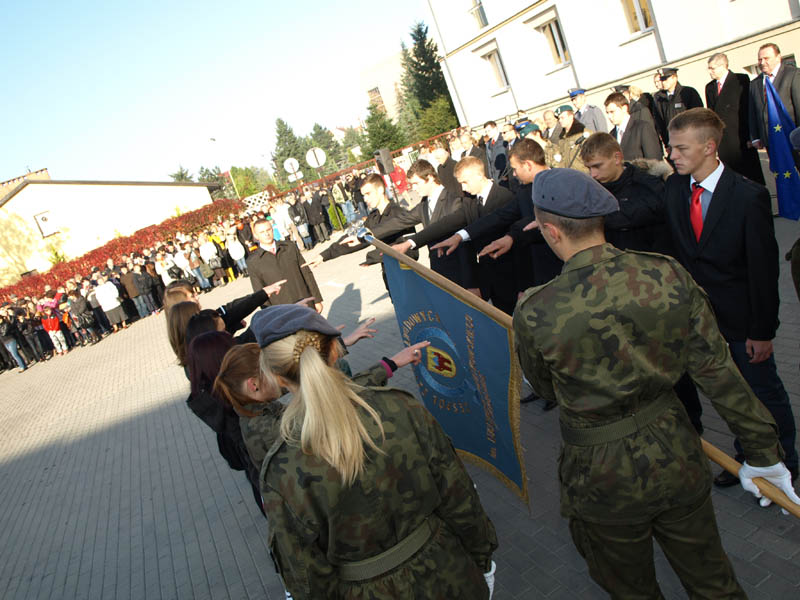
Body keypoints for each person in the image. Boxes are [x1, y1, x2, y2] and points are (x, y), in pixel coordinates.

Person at [512, 167, 800, 599]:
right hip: (676, 452)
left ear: (551, 231)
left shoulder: (535, 310)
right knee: (713, 582)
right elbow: (718, 372)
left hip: (600, 475)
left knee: (632, 591)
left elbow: (548, 389)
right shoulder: (665, 273)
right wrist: (763, 453)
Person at [246, 304, 499, 599]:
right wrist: (482, 560)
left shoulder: (282, 466)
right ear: (335, 352)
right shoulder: (401, 407)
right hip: (449, 574)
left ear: (276, 377)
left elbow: (305, 574)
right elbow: (458, 494)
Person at [664, 107, 798, 485]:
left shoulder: (748, 196)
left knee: (762, 392)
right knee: (726, 395)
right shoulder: (674, 189)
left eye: (681, 148)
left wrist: (762, 331)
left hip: (743, 322)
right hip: (700, 322)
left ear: (709, 147)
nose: (672, 155)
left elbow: (763, 272)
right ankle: (748, 456)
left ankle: (785, 461)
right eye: (671, 147)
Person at [393, 156, 517, 314]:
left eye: (465, 182)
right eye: (460, 183)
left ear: (479, 175)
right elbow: (448, 223)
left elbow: (517, 244)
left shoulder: (505, 197)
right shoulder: (469, 200)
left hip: (512, 279)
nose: (463, 188)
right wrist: (410, 243)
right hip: (489, 281)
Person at [705, 52, 765, 184]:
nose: (710, 71)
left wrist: (752, 135)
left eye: (712, 68)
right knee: (732, 178)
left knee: (750, 177)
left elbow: (748, 109)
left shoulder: (740, 80)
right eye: (708, 68)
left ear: (723, 66)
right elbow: (711, 115)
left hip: (741, 137)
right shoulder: (710, 87)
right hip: (723, 139)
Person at [246, 219, 323, 312]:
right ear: (256, 235)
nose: (266, 234)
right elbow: (260, 293)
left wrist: (317, 299)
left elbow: (306, 273)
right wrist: (270, 315)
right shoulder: (253, 261)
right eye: (262, 232)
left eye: (268, 230)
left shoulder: (289, 247)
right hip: (281, 311)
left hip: (305, 302)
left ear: (272, 229)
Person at [749, 42, 800, 152]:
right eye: (760, 59)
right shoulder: (755, 83)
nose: (762, 62)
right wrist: (755, 137)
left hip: (792, 137)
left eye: (766, 58)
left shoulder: (793, 74)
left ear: (778, 57)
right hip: (770, 140)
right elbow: (753, 111)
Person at [653, 67, 704, 149]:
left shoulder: (688, 92)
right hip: (673, 142)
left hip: (690, 139)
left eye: (665, 79)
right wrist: (667, 144)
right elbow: (660, 123)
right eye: (661, 79)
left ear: (674, 78)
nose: (663, 82)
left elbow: (699, 116)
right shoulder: (659, 98)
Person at [604, 92, 662, 161]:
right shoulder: (611, 136)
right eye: (607, 113)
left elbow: (654, 159)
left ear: (624, 108)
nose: (609, 116)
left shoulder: (642, 128)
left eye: (612, 112)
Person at [483, 120, 509, 186]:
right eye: (486, 131)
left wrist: (507, 174)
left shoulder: (504, 138)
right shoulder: (488, 144)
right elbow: (489, 161)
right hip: (495, 178)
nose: (487, 133)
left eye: (489, 130)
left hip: (505, 176)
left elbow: (508, 157)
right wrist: (491, 176)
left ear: (495, 128)